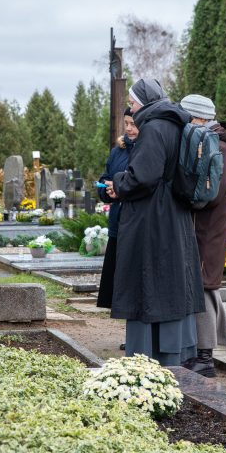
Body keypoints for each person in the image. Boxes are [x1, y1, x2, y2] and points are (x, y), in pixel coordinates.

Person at [106, 78, 205, 366]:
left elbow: (143, 176)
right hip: (175, 214)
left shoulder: (153, 127)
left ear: (146, 102)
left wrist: (119, 183)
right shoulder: (175, 123)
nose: (132, 107)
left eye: (135, 101)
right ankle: (177, 351)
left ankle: (146, 356)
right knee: (173, 281)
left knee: (149, 281)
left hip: (152, 218)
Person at [179, 94, 226, 378]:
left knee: (204, 286)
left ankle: (206, 356)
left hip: (208, 230)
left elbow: (212, 194)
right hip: (200, 227)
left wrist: (187, 197)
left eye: (186, 117)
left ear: (198, 118)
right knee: (200, 286)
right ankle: (198, 350)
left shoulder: (221, 149)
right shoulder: (210, 142)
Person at [95, 108, 138, 309]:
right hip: (117, 222)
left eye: (133, 124)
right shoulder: (118, 151)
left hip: (135, 222)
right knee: (118, 285)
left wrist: (121, 189)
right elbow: (105, 177)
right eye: (126, 123)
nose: (129, 128)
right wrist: (107, 190)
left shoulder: (145, 150)